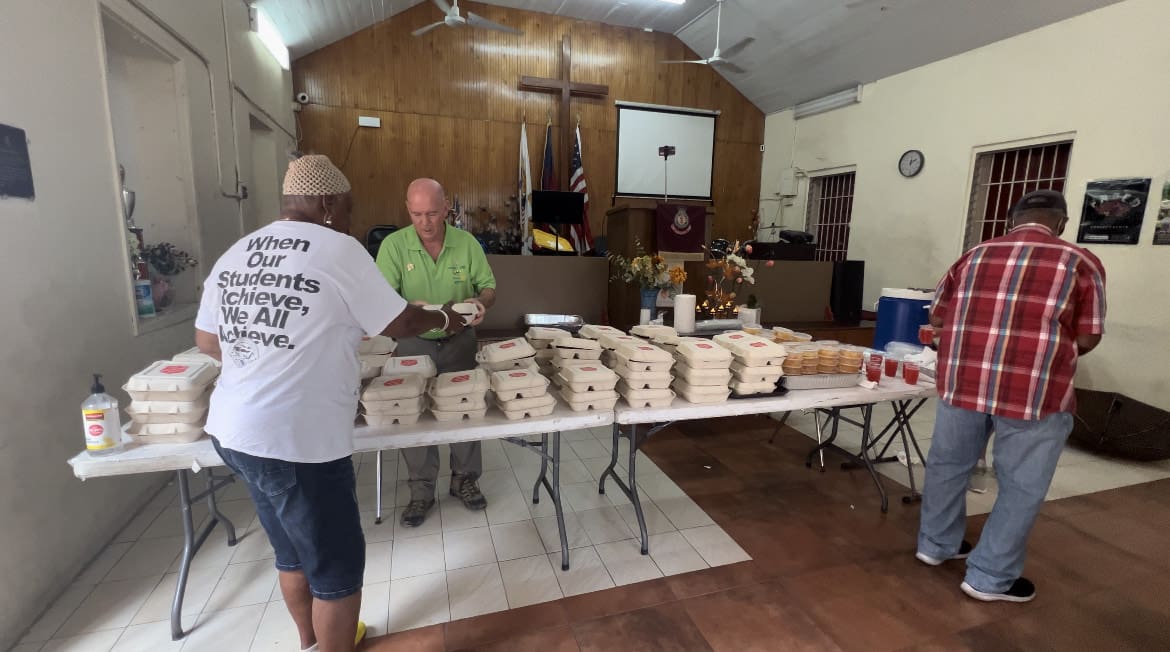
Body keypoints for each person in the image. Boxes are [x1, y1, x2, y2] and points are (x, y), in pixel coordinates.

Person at [194, 156, 466, 652]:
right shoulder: (338, 249)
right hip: (296, 440)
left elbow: (207, 341)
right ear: (326, 203)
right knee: (337, 571)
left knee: (292, 554)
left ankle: (310, 643)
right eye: (347, 209)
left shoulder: (241, 250)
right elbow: (398, 322)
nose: (349, 220)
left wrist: (273, 346)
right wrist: (447, 319)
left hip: (233, 432)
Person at [916, 189, 1106, 603]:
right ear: (1061, 222)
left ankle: (935, 545)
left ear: (1011, 221)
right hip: (1034, 391)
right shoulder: (1080, 261)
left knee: (948, 465)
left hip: (963, 382)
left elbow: (937, 316)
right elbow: (1089, 334)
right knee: (1021, 484)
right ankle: (988, 578)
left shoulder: (973, 255)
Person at [376, 178, 497, 527]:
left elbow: (488, 287)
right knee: (414, 414)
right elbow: (381, 299)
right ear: (407, 210)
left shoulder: (466, 243)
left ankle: (465, 480)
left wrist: (480, 301)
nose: (425, 222)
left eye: (432, 213)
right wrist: (403, 307)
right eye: (416, 214)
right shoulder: (393, 246)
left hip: (459, 340)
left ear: (447, 209)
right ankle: (421, 490)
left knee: (466, 409)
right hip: (412, 343)